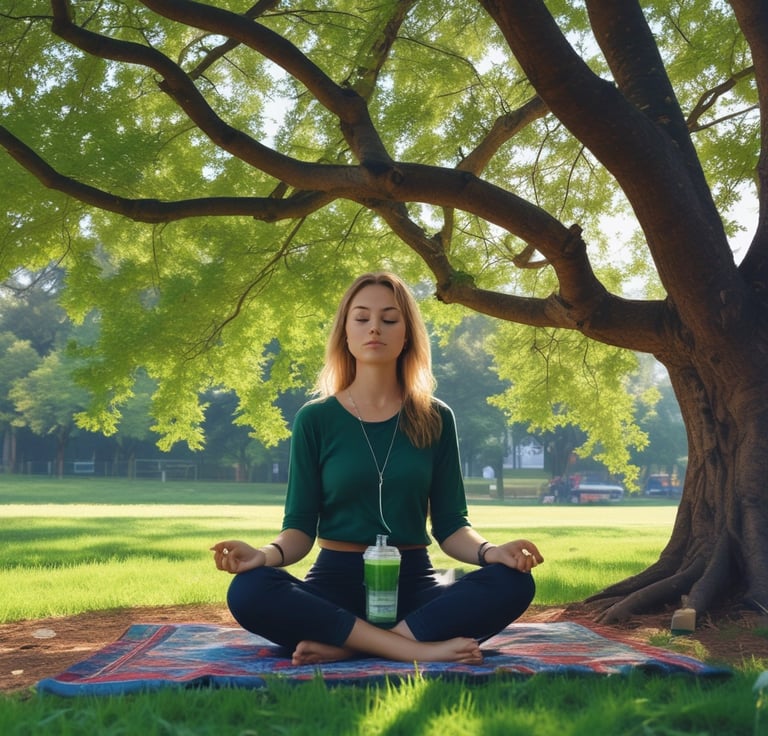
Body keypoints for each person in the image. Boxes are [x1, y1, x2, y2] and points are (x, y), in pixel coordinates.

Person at [211, 271, 543, 666]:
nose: (374, 329)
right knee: (249, 591)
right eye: (362, 318)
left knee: (513, 582)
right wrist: (262, 556)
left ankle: (348, 647)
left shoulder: (437, 417)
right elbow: (300, 530)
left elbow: (452, 526)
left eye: (389, 319)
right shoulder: (315, 419)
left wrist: (491, 552)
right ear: (345, 333)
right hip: (333, 587)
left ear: (407, 335)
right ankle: (412, 649)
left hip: (416, 586)